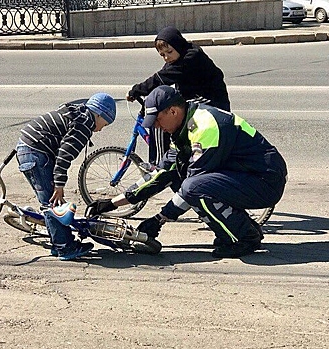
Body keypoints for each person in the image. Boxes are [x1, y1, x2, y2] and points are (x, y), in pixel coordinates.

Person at [88, 85, 287, 258]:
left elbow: (192, 187)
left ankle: (245, 238)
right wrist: (112, 203)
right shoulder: (184, 126)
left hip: (265, 181)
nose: (156, 127)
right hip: (245, 175)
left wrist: (159, 219)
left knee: (193, 188)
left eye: (157, 120)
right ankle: (240, 229)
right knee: (182, 180)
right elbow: (161, 173)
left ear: (173, 111)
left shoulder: (205, 127)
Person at [16, 93, 116, 260]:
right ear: (98, 114)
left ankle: (60, 243)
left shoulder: (79, 112)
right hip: (35, 153)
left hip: (30, 147)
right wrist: (59, 185)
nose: (100, 129)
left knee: (53, 202)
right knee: (52, 203)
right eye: (104, 124)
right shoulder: (83, 127)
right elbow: (64, 157)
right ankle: (65, 248)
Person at [126, 26, 231, 166]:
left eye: (169, 52)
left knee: (160, 119)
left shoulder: (191, 56)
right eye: (162, 55)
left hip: (212, 102)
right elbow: (162, 79)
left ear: (178, 45)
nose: (166, 57)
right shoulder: (177, 58)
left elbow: (161, 78)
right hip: (196, 98)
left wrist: (136, 90)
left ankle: (158, 164)